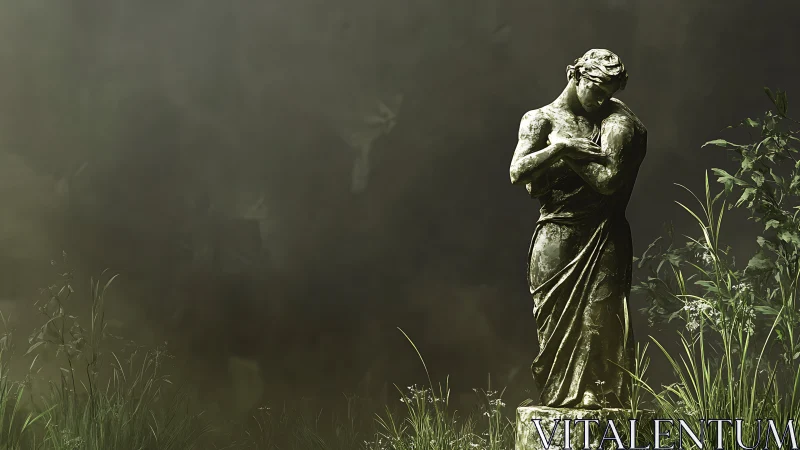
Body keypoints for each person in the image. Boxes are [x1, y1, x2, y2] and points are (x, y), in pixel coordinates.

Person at [509, 49, 647, 409]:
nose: (603, 99)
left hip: (604, 233)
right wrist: (561, 148)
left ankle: (595, 393)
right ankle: (562, 394)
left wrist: (567, 152)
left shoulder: (612, 119)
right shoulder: (540, 119)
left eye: (609, 92)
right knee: (555, 326)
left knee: (600, 319)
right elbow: (517, 171)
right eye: (597, 89)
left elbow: (610, 181)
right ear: (575, 75)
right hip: (557, 235)